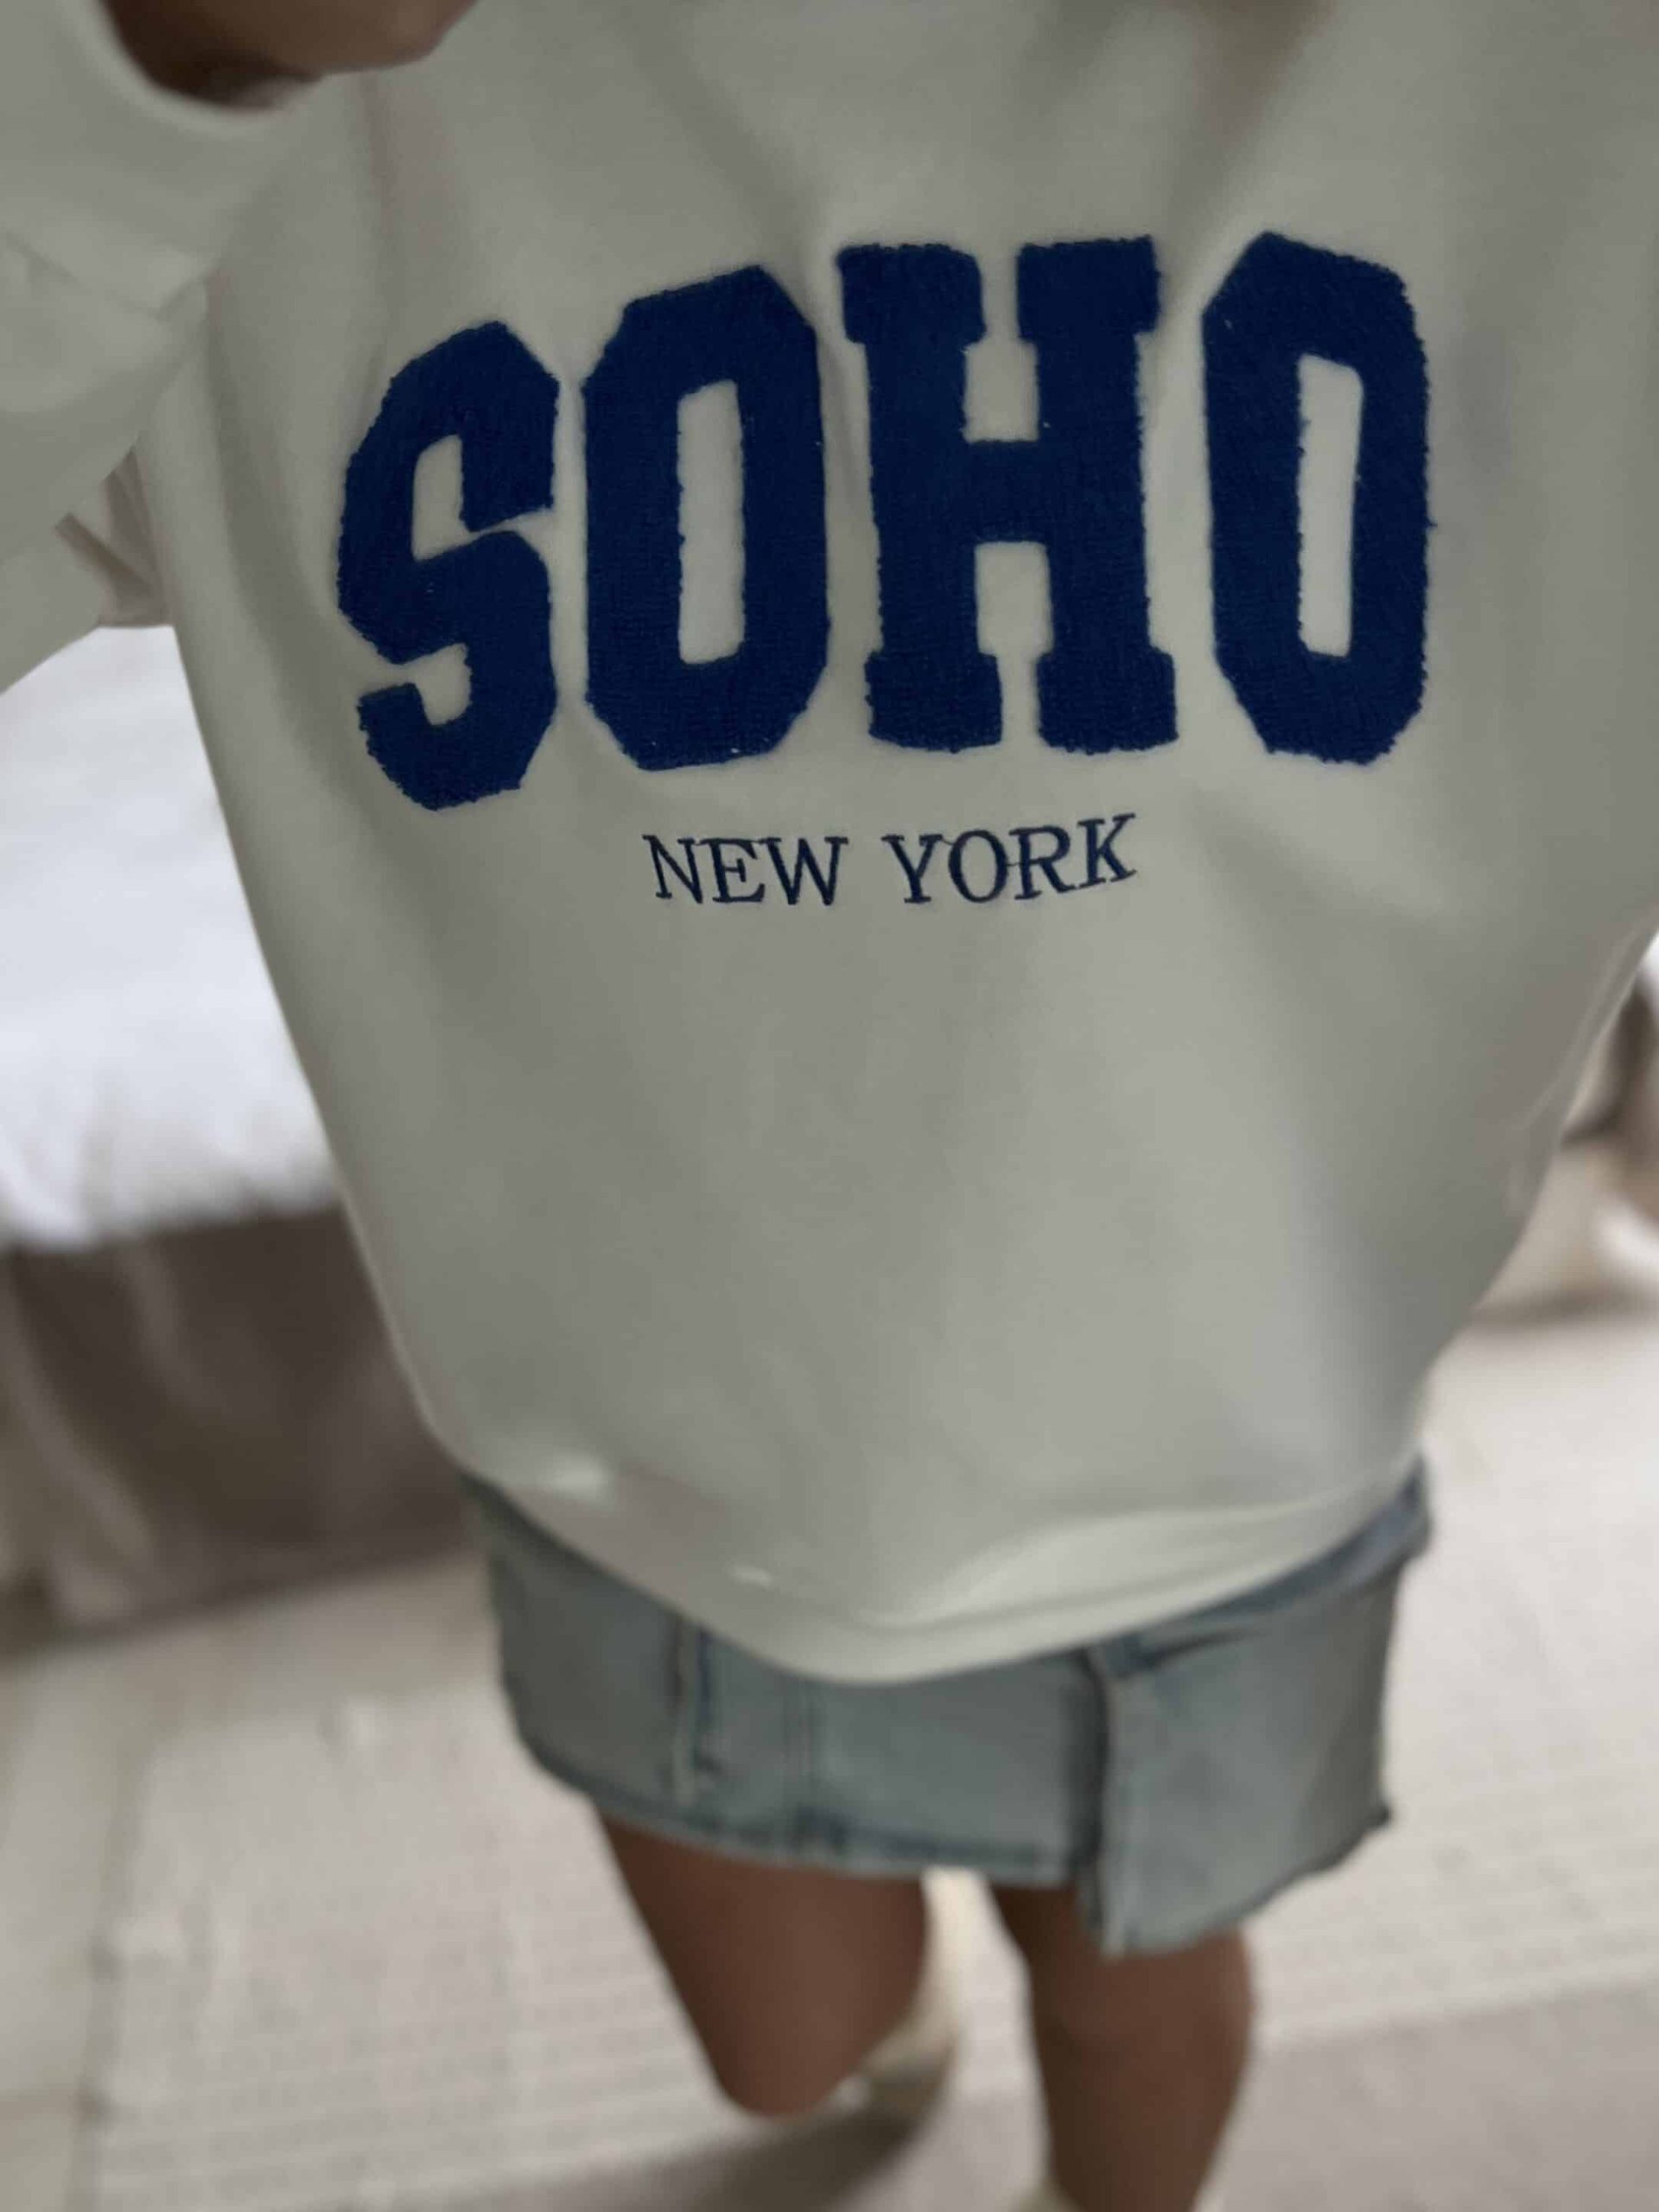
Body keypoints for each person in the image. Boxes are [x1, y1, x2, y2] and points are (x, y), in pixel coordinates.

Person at [2, 3, 1652, 2206]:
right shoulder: (287, 101)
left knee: (1132, 2010)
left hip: (1232, 1469)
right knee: (791, 2052)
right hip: (639, 1468)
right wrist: (148, 70)